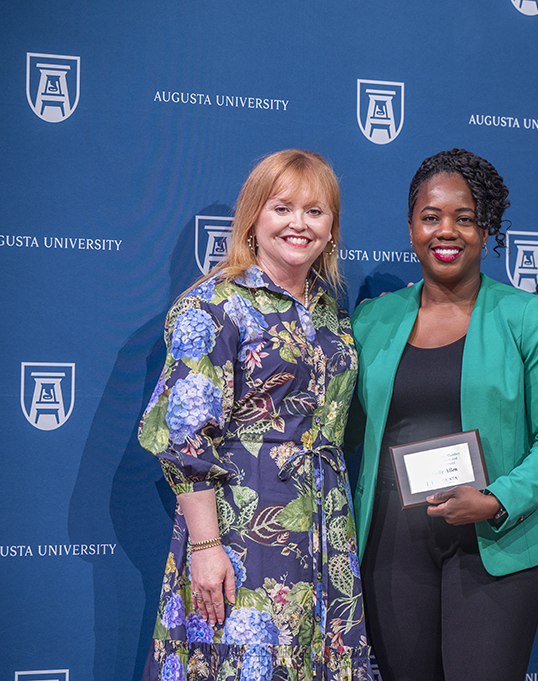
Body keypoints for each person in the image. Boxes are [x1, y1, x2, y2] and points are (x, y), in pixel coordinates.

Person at [350, 149, 538, 681]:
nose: (446, 231)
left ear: (488, 229)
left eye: (465, 218)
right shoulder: (372, 319)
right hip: (393, 547)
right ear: (410, 227)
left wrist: (495, 499)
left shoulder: (529, 316)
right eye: (431, 217)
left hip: (496, 544)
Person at [138, 149, 372, 681]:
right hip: (241, 526)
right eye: (282, 208)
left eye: (315, 212)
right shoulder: (212, 305)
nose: (299, 224)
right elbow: (184, 439)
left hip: (325, 523)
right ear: (253, 218)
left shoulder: (330, 312)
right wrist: (205, 546)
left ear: (331, 228)